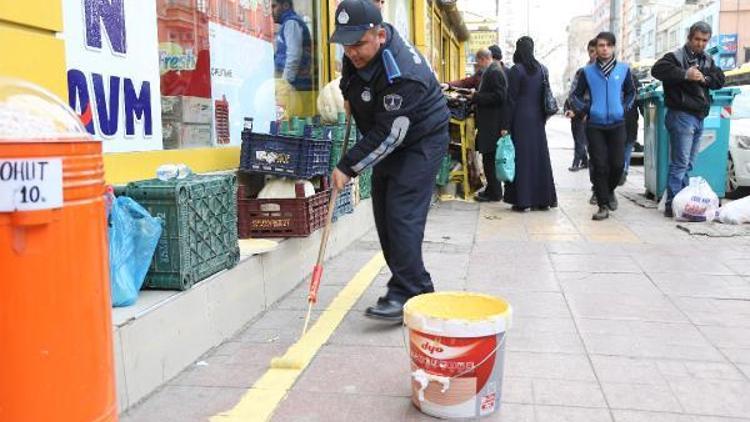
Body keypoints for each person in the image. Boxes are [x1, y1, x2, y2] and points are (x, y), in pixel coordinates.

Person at [330, 0, 450, 321]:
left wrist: (347, 167)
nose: (351, 52)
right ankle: (417, 286)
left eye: (357, 44)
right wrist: (347, 91)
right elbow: (352, 78)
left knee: (402, 213)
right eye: (345, 44)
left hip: (420, 138)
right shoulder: (359, 50)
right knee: (384, 210)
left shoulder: (404, 76)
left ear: (380, 35)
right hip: (391, 132)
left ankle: (406, 291)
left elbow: (390, 135)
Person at [651, 21, 725, 217]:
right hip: (681, 115)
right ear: (689, 38)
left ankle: (680, 202)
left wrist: (704, 79)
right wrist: (685, 74)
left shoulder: (707, 60)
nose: (700, 43)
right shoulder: (675, 57)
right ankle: (672, 206)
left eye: (704, 40)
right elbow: (657, 70)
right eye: (697, 39)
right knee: (680, 163)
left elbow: (719, 79)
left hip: (699, 116)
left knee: (688, 163)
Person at [569, 31, 636, 221]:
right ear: (596, 49)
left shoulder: (623, 70)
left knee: (617, 165)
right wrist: (586, 111)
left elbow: (632, 93)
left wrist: (623, 109)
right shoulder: (587, 72)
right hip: (595, 125)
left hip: (617, 123)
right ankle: (603, 205)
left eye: (608, 45)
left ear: (613, 47)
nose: (604, 48)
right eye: (601, 45)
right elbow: (574, 95)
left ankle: (609, 190)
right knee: (599, 165)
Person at [503, 36, 557, 211]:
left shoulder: (516, 71)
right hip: (538, 120)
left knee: (521, 159)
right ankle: (543, 200)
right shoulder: (542, 69)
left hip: (520, 119)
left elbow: (510, 100)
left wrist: (505, 125)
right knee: (539, 158)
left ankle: (523, 201)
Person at [471, 48, 510, 202]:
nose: (478, 65)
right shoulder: (492, 70)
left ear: (483, 59)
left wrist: (477, 97)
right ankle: (492, 190)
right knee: (488, 158)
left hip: (492, 123)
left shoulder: (494, 72)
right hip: (489, 123)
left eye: (478, 61)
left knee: (489, 159)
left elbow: (500, 96)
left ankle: (494, 193)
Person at [564, 39, 597, 173]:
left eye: (595, 51)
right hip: (581, 111)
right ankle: (578, 161)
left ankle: (583, 161)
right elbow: (573, 93)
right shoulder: (583, 71)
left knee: (590, 143)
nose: (593, 54)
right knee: (579, 138)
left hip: (597, 114)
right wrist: (573, 110)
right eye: (591, 51)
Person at [272, 0, 312, 91]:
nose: (272, 11)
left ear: (285, 5)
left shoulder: (291, 23)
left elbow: (294, 56)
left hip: (295, 84)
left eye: (274, 6)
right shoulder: (288, 23)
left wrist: (284, 83)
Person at [620, 74, 643, 186]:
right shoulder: (634, 85)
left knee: (619, 147)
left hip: (617, 121)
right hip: (631, 121)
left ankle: (620, 170)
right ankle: (624, 169)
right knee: (628, 147)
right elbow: (641, 103)